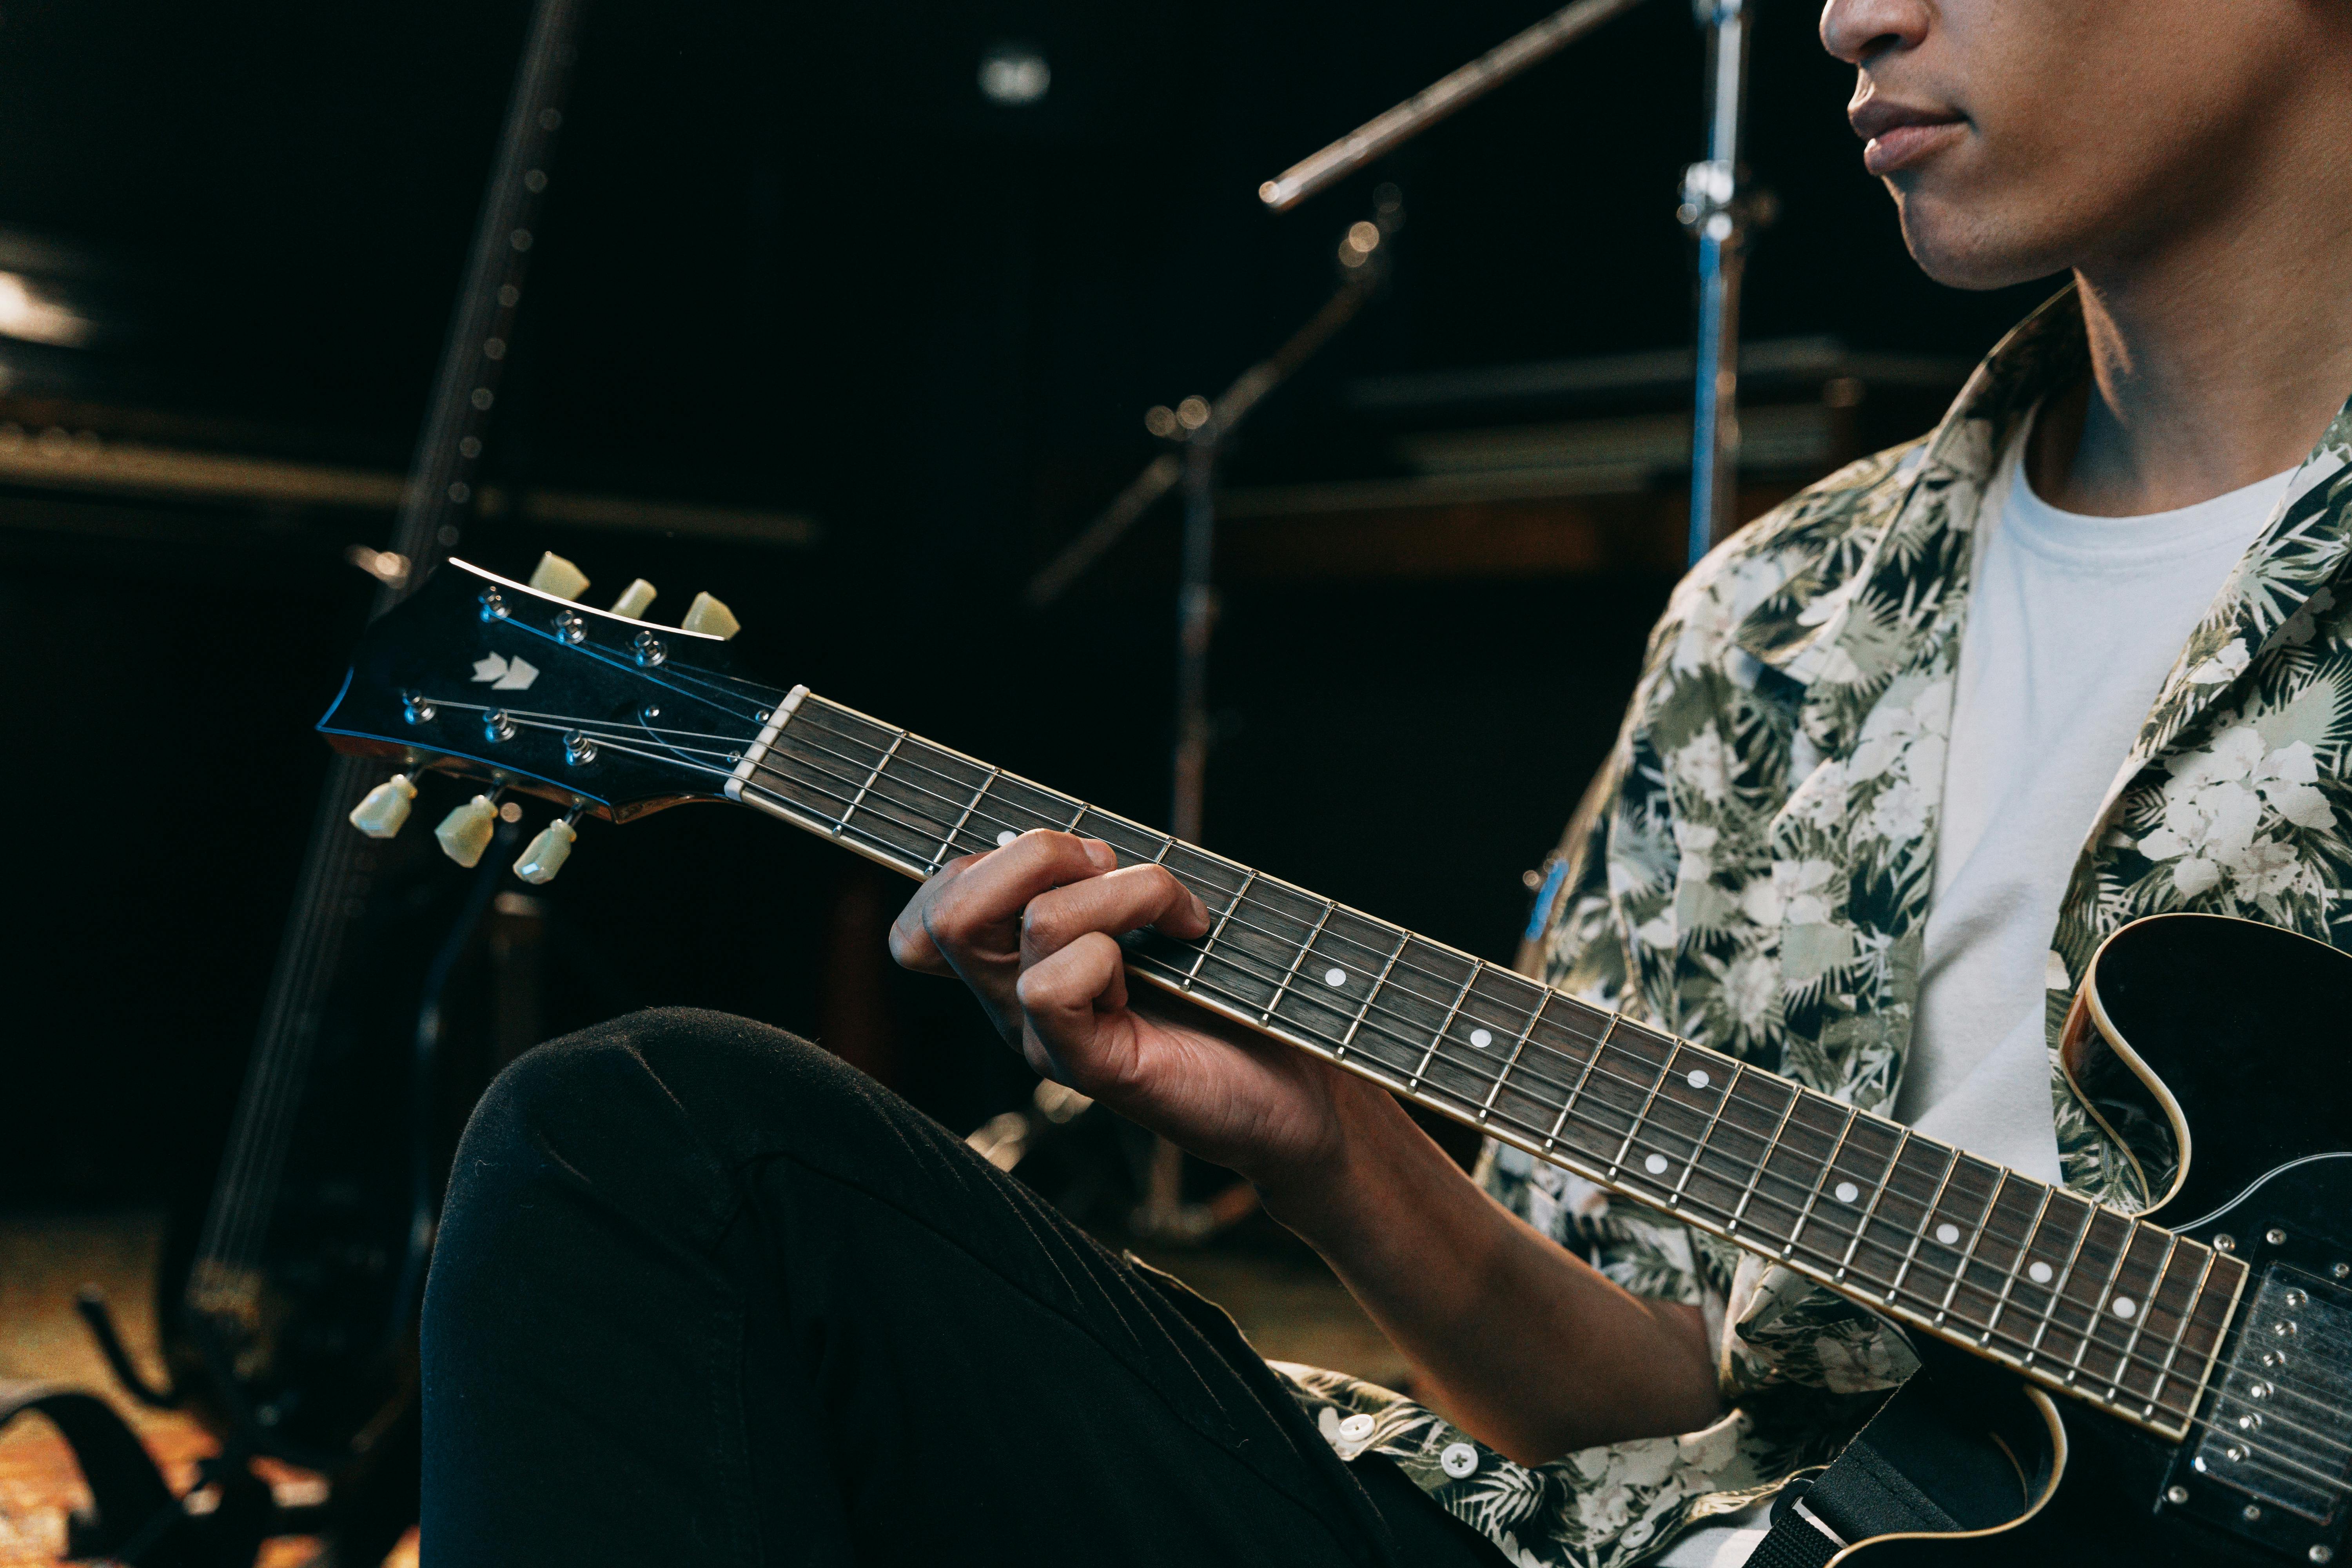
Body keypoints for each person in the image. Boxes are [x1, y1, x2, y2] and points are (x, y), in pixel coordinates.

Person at [419, 0, 2352, 1561]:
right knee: (653, 1139)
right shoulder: (1780, 624)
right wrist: (1329, 1143)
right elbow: (1653, 1385)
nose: (1852, 16)